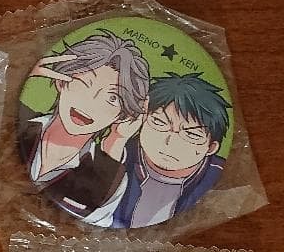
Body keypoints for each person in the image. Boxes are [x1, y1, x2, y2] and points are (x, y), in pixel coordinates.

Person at [19, 30, 150, 219]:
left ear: (123, 114)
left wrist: (117, 139)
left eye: (112, 98)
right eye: (84, 82)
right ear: (61, 82)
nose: (90, 103)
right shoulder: (17, 125)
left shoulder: (112, 182)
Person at [89, 73, 230, 228]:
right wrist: (116, 139)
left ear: (211, 148)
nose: (169, 142)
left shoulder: (220, 179)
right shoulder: (120, 152)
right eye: (159, 122)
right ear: (143, 118)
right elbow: (88, 198)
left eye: (192, 134)